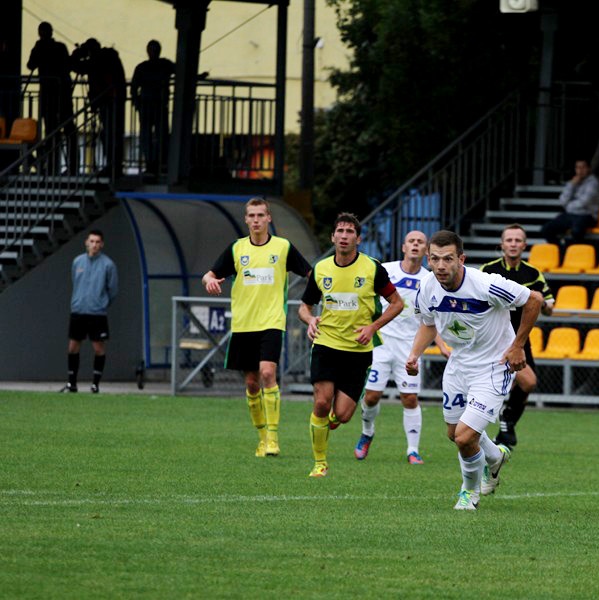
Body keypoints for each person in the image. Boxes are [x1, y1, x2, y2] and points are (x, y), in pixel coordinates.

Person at [406, 231, 543, 509]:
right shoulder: (427, 287)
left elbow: (534, 300)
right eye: (435, 259)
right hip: (458, 366)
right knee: (453, 433)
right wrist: (414, 354)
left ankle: (469, 493)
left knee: (465, 437)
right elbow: (428, 323)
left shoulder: (486, 284)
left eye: (448, 259)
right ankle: (494, 457)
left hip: (493, 367)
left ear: (461, 259)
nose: (441, 265)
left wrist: (518, 346)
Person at [202, 197, 312, 458]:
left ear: (269, 218)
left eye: (261, 215)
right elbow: (210, 274)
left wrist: (314, 300)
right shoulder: (237, 249)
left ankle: (273, 437)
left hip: (272, 321)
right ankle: (262, 438)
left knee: (266, 373)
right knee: (251, 382)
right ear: (246, 219)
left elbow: (312, 274)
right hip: (243, 324)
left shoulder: (283, 247)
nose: (256, 220)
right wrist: (209, 281)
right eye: (251, 216)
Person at [298, 213, 404, 478]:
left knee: (342, 415)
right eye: (340, 231)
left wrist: (372, 327)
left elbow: (397, 303)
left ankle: (331, 422)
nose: (344, 236)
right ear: (333, 236)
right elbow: (304, 306)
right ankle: (320, 462)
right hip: (326, 344)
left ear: (358, 237)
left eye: (349, 231)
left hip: (358, 351)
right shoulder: (321, 269)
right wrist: (310, 319)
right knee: (322, 402)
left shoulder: (372, 268)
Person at [357, 230, 446, 464]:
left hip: (410, 346)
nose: (415, 245)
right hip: (382, 343)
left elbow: (432, 317)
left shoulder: (430, 279)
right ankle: (367, 433)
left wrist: (442, 345)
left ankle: (412, 450)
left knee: (409, 398)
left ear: (426, 251)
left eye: (420, 242)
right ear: (403, 247)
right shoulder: (386, 270)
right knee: (373, 396)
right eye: (411, 241)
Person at [480, 224, 555, 449]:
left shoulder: (532, 273)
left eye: (517, 240)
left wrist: (546, 304)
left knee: (524, 387)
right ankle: (503, 422)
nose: (513, 244)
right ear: (502, 244)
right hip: (495, 337)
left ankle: (505, 427)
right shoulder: (488, 270)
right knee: (527, 381)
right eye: (509, 240)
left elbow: (548, 303)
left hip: (521, 338)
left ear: (524, 245)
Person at [62, 230, 118, 393]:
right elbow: (75, 281)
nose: (94, 245)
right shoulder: (77, 262)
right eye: (91, 241)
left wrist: (101, 304)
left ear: (102, 244)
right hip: (78, 311)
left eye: (97, 242)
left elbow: (113, 289)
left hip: (97, 313)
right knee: (73, 346)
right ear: (87, 242)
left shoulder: (108, 265)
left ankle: (95, 384)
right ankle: (72, 383)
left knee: (98, 348)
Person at [26, 22, 77, 175]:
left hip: (50, 96)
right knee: (68, 130)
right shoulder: (60, 47)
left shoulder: (41, 48)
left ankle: (53, 166)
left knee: (52, 132)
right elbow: (68, 66)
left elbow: (30, 65)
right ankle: (70, 166)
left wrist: (37, 47)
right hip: (62, 94)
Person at [70, 38, 126, 177]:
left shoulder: (98, 59)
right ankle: (115, 166)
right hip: (113, 100)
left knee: (109, 135)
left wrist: (77, 53)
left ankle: (112, 167)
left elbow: (77, 66)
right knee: (112, 134)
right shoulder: (109, 57)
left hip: (108, 101)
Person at [131, 40, 175, 178]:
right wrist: (137, 104)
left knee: (159, 136)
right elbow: (133, 89)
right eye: (152, 49)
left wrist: (137, 103)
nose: (153, 52)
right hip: (148, 105)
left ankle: (158, 163)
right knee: (149, 136)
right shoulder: (158, 65)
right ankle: (153, 163)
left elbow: (182, 71)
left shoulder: (162, 65)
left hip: (157, 105)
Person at [540, 159, 599, 247]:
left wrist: (568, 206)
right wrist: (572, 185)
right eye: (578, 168)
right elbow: (562, 200)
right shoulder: (572, 182)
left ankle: (573, 252)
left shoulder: (593, 183)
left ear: (588, 169)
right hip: (570, 214)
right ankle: (561, 250)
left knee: (576, 231)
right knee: (546, 229)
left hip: (588, 215)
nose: (580, 170)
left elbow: (584, 202)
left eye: (583, 167)